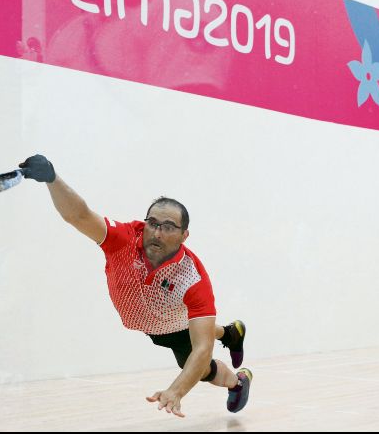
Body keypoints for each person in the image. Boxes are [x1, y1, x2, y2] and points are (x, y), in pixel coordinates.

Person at [19, 155, 252, 418]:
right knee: (195, 339)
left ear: (184, 235)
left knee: (199, 368)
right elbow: (79, 215)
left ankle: (238, 382)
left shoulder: (192, 278)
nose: (156, 232)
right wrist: (52, 179)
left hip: (174, 325)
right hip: (149, 321)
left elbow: (201, 348)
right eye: (152, 223)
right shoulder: (123, 239)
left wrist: (175, 391)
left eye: (168, 227)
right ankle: (230, 334)